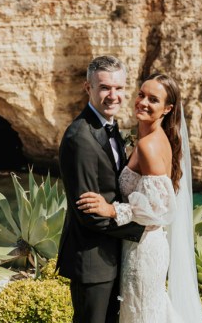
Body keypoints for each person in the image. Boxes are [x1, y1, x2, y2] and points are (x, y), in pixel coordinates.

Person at [77, 73, 202, 322]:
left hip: (143, 250)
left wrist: (113, 210)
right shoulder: (150, 140)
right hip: (139, 244)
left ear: (167, 109)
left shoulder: (149, 146)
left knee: (141, 314)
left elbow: (161, 209)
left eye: (153, 99)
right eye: (141, 94)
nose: (143, 102)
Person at [56, 55, 145, 323]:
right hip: (92, 263)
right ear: (88, 88)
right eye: (105, 87)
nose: (113, 96)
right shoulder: (79, 138)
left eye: (118, 88)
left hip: (113, 258)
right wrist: (142, 229)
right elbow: (90, 214)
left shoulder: (110, 127)